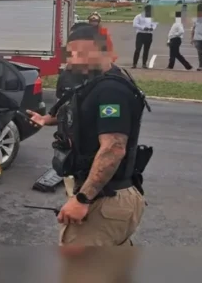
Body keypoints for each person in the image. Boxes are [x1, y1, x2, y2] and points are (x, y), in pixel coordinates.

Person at [27, 26, 151, 248]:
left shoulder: (111, 91)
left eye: (80, 54)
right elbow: (81, 114)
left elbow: (113, 148)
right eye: (71, 54)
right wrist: (47, 119)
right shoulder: (97, 83)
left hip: (105, 199)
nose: (72, 62)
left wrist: (83, 199)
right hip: (108, 197)